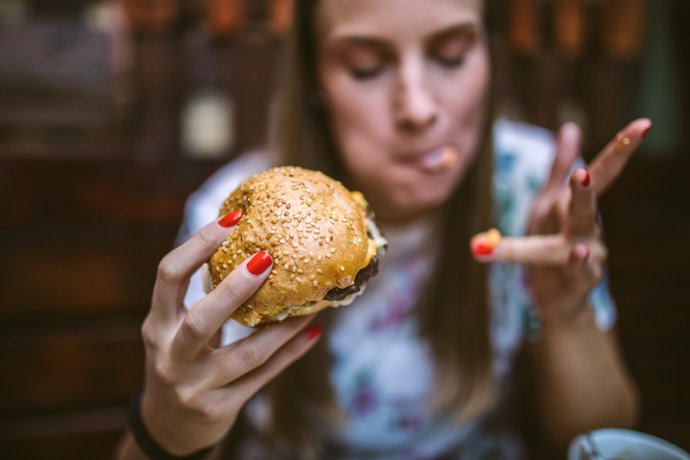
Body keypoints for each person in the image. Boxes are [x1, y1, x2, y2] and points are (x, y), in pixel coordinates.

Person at [115, 0, 647, 458]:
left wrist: (568, 316)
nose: (417, 108)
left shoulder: (537, 189)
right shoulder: (235, 222)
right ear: (316, 80)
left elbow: (598, 437)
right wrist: (170, 428)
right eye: (367, 66)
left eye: (452, 56)